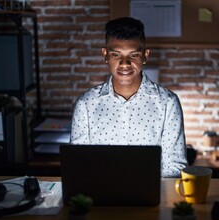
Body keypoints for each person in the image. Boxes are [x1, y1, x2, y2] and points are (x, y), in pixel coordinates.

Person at [70, 17, 187, 177]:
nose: (125, 63)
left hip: (152, 197)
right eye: (116, 55)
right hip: (100, 197)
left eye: (133, 55)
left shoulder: (168, 103)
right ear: (105, 55)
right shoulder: (86, 104)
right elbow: (78, 164)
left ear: (145, 56)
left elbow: (174, 167)